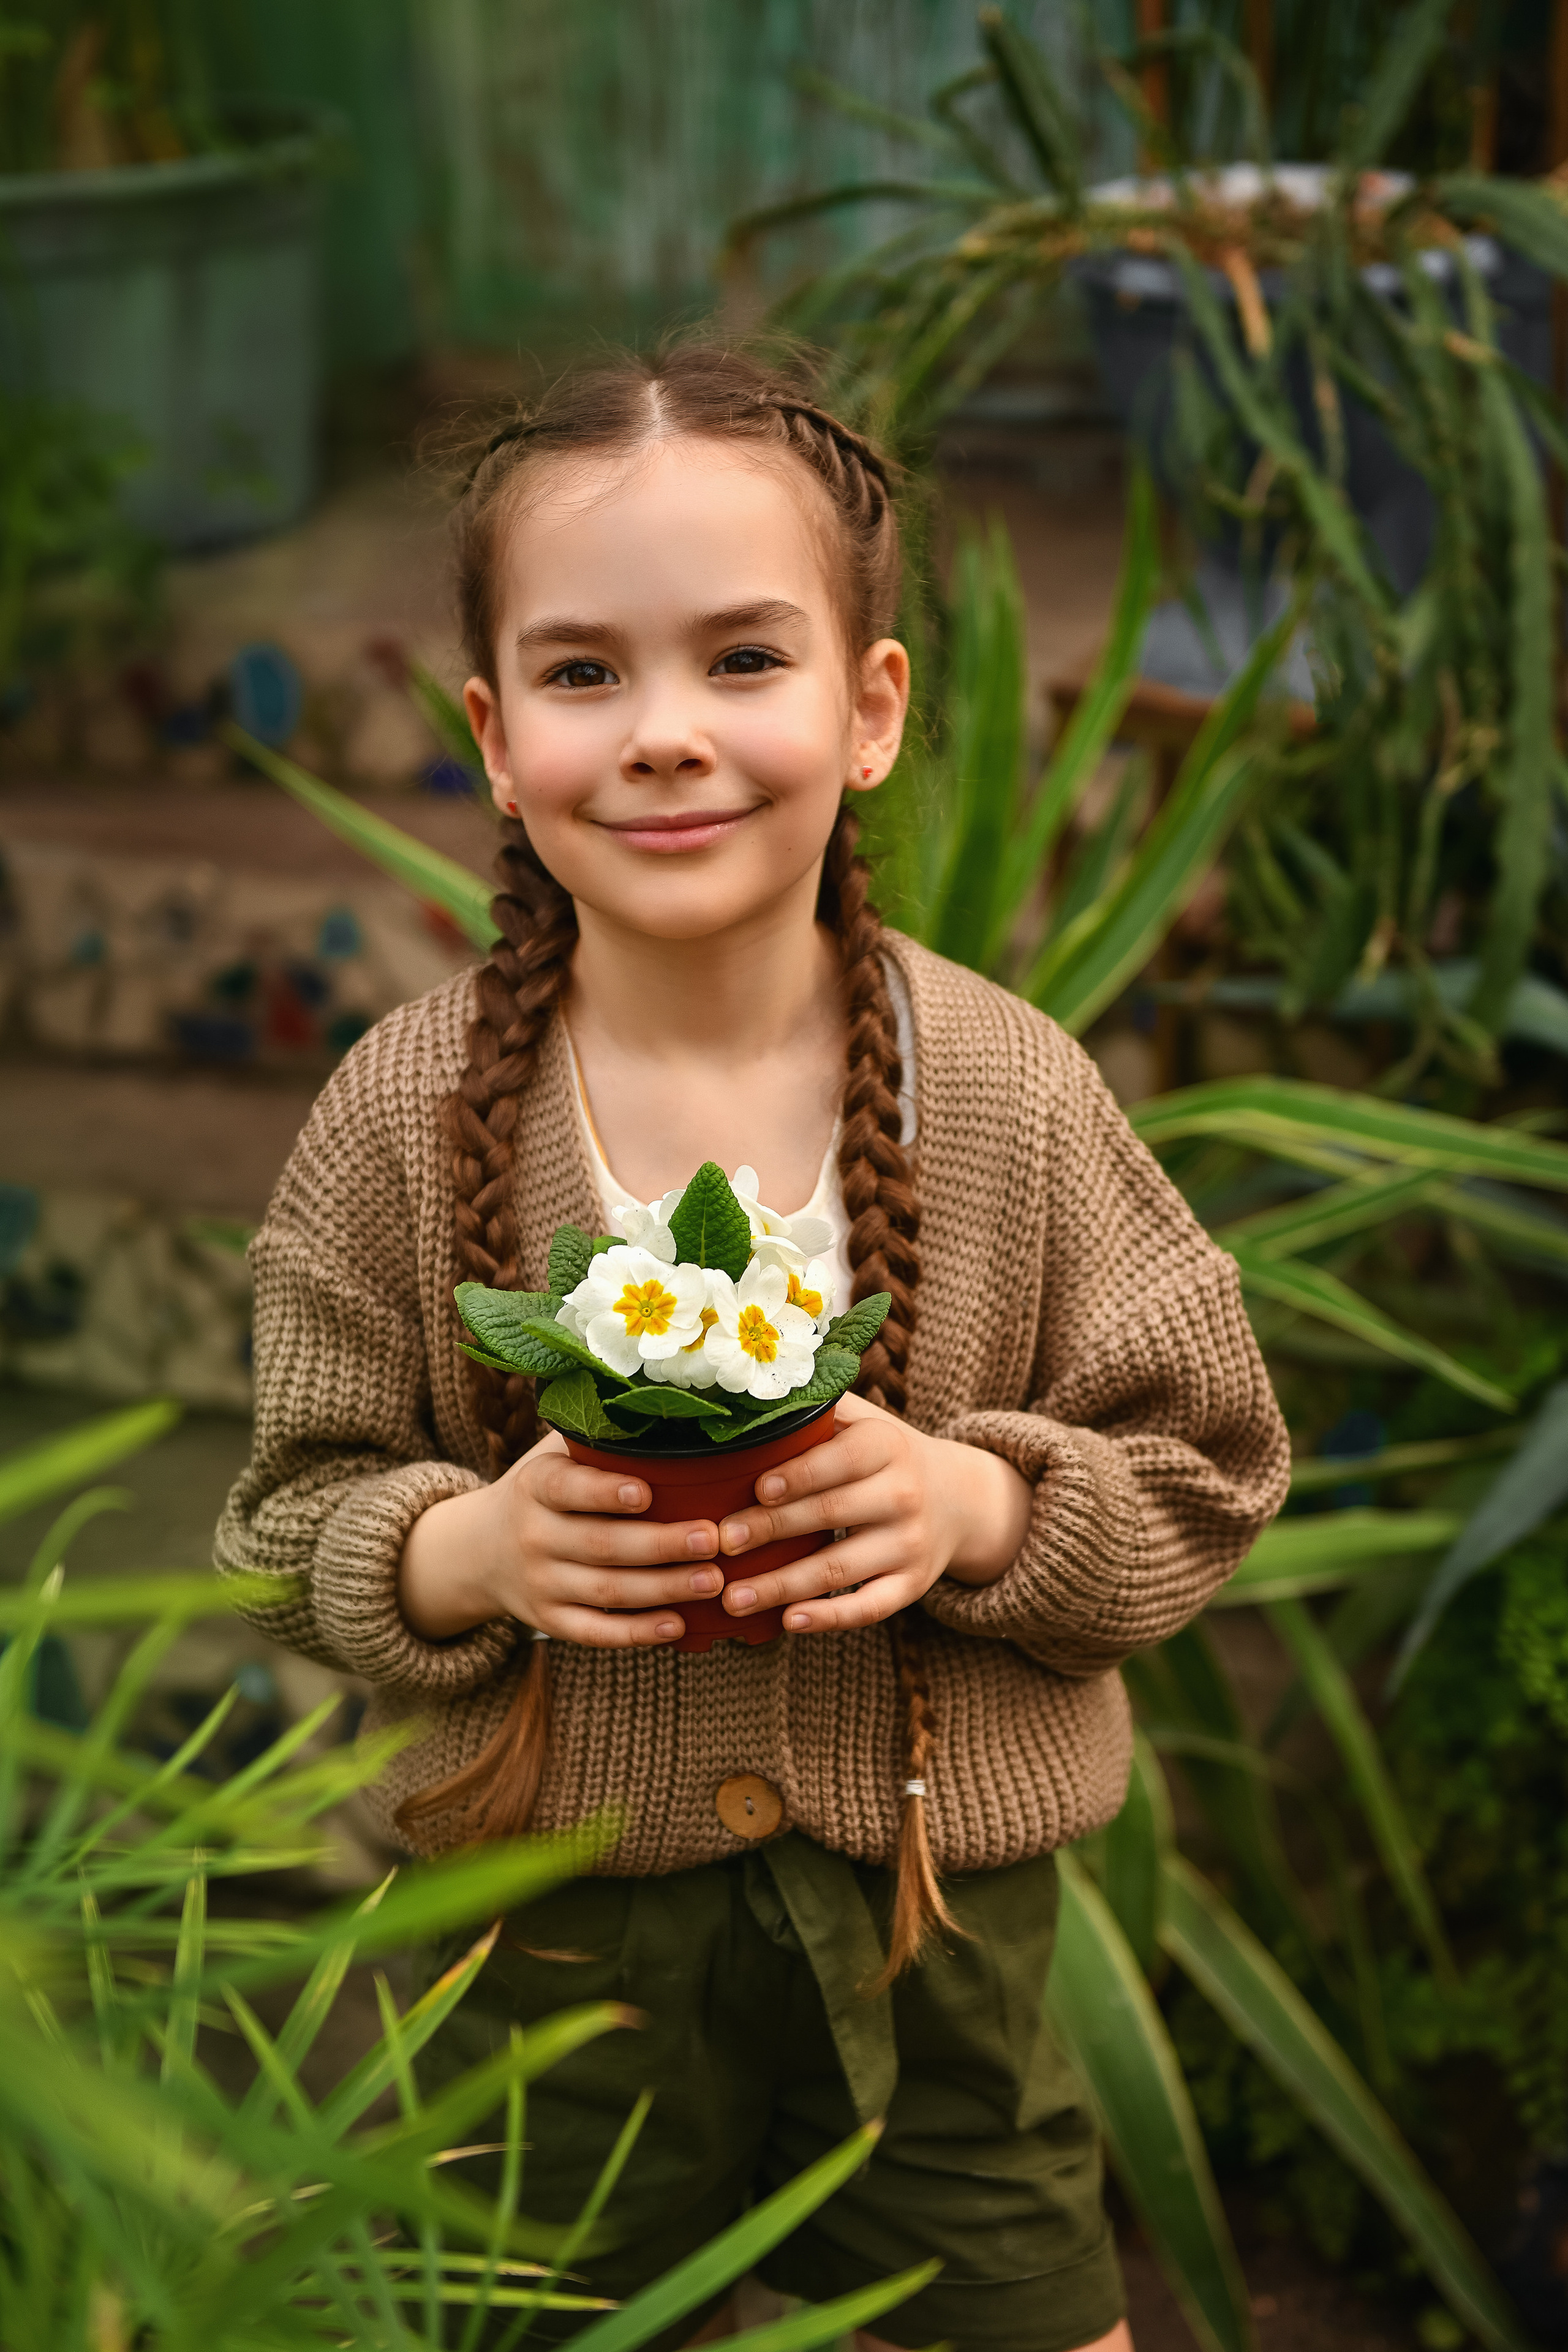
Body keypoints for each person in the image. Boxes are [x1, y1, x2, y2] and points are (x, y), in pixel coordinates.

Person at [218, 342, 1289, 2352]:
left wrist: (984, 1501)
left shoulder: (1008, 1095)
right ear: (494, 732)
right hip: (545, 1948)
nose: (664, 737)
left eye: (741, 660)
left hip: (935, 1934)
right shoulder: (402, 1110)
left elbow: (1210, 1465)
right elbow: (290, 1511)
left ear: (869, 712)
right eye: (585, 673)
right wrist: (468, 1555)